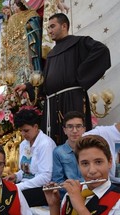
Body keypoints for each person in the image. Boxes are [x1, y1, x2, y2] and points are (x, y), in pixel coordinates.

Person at [15, 13, 111, 145]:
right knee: (54, 140)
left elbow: (102, 51)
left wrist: (79, 75)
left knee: (74, 138)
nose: (49, 31)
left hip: (72, 98)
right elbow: (46, 78)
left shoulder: (79, 42)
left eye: (52, 26)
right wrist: (28, 86)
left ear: (64, 26)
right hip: (52, 102)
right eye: (48, 28)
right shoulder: (51, 54)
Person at [44, 135, 120, 215]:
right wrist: (54, 206)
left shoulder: (118, 200)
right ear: (78, 165)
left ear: (110, 162)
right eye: (85, 163)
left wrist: (81, 208)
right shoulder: (70, 195)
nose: (92, 170)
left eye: (98, 162)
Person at [5, 108, 56, 207]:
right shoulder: (24, 144)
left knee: (9, 200)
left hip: (42, 189)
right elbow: (25, 171)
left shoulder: (46, 144)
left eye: (26, 130)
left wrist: (19, 186)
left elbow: (45, 177)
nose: (23, 134)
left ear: (36, 127)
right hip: (25, 185)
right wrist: (16, 176)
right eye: (21, 131)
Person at [0, 0, 43, 85]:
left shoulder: (31, 14)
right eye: (12, 5)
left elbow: (36, 26)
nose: (12, 8)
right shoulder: (12, 18)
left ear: (20, 5)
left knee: (29, 69)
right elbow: (8, 35)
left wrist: (27, 27)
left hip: (27, 45)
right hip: (14, 51)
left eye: (14, 5)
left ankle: (32, 84)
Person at [52, 111, 85, 199]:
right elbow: (57, 180)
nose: (74, 131)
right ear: (64, 130)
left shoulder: (91, 150)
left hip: (90, 193)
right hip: (68, 196)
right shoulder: (58, 152)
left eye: (78, 126)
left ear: (84, 129)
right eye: (70, 126)